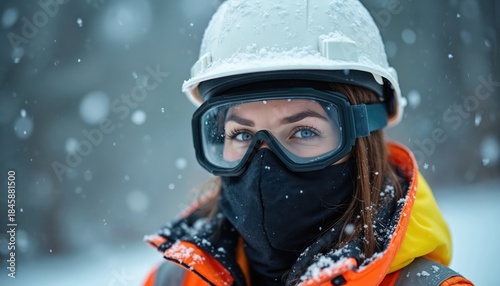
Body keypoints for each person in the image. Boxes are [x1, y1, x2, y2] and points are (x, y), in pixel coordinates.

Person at [143, 0, 473, 285]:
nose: (264, 163)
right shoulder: (172, 280)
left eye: (303, 131)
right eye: (242, 135)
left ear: (362, 142)